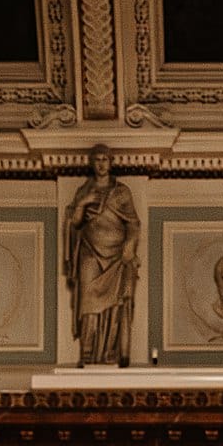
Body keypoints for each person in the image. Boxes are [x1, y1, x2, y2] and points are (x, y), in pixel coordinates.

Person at [63, 144, 139, 366]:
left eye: (105, 159)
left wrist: (130, 245)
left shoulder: (122, 192)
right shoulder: (84, 191)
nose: (101, 164)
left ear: (111, 162)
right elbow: (75, 223)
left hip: (117, 256)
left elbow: (133, 223)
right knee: (88, 300)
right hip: (89, 252)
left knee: (115, 306)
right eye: (97, 160)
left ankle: (109, 352)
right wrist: (84, 203)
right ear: (92, 163)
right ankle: (87, 351)